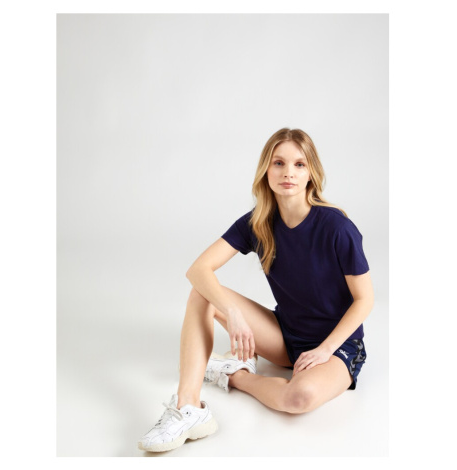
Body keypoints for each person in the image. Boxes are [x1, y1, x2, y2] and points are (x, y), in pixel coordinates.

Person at [138, 127, 374, 453]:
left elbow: (364, 300)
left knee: (299, 397)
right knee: (202, 293)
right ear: (266, 170)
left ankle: (234, 375)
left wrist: (325, 350)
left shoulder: (337, 227)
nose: (288, 172)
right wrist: (232, 312)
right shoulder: (258, 223)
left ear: (311, 173)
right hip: (285, 337)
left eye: (299, 164)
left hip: (337, 346)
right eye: (279, 163)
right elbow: (198, 270)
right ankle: (189, 407)